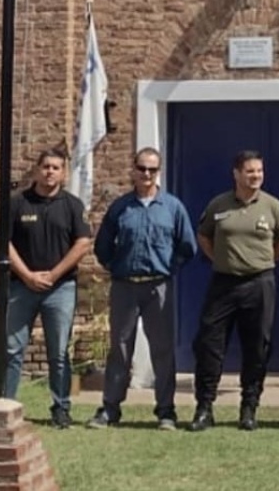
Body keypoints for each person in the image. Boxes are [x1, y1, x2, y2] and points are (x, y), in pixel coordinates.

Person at [87, 147, 197, 431]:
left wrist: (168, 268)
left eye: (152, 169)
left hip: (158, 287)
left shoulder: (172, 208)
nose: (146, 174)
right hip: (125, 287)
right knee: (120, 349)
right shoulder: (120, 208)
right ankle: (110, 408)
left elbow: (187, 247)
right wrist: (116, 267)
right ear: (133, 170)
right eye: (141, 168)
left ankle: (165, 411)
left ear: (158, 172)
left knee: (163, 350)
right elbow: (102, 246)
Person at [189, 150, 279, 432]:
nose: (255, 176)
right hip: (223, 284)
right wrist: (220, 259)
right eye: (250, 171)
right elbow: (203, 235)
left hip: (259, 284)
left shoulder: (272, 206)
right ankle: (204, 408)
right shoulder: (218, 204)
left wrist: (263, 261)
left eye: (259, 171)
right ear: (236, 174)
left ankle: (249, 408)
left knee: (257, 347)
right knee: (209, 345)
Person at [6, 146, 92, 429]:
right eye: (46, 167)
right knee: (12, 350)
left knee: (58, 353)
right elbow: (4, 244)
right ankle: (6, 406)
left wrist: (53, 275)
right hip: (22, 287)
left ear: (64, 172)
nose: (50, 172)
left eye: (56, 167)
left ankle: (61, 408)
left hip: (60, 289)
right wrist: (28, 275)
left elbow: (82, 244)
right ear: (37, 169)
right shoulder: (18, 203)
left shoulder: (72, 205)